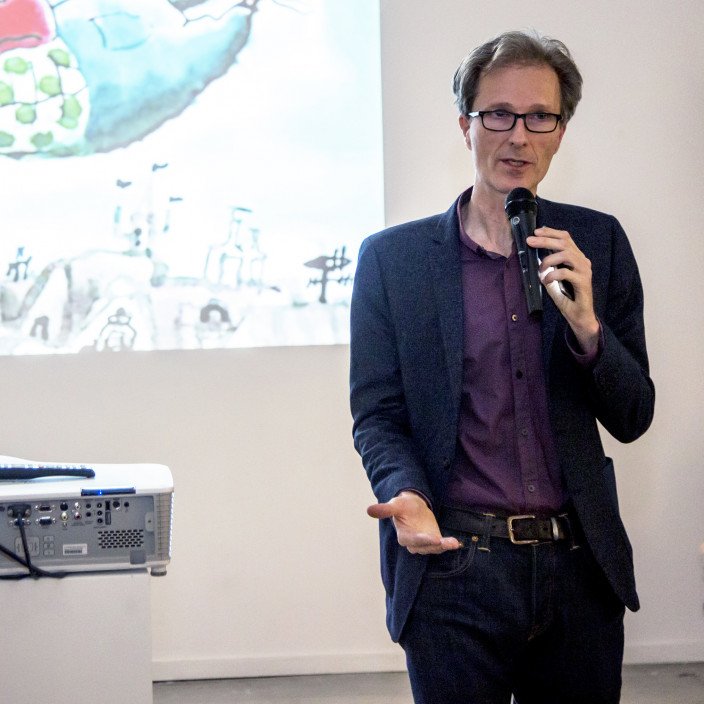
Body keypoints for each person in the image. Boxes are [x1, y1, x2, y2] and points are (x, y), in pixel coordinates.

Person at [349, 30, 655, 704]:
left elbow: (634, 416)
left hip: (578, 572)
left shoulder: (597, 243)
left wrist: (589, 330)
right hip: (456, 570)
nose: (518, 136)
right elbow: (377, 415)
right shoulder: (393, 262)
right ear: (465, 124)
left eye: (540, 116)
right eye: (498, 114)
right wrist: (406, 491)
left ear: (561, 132)